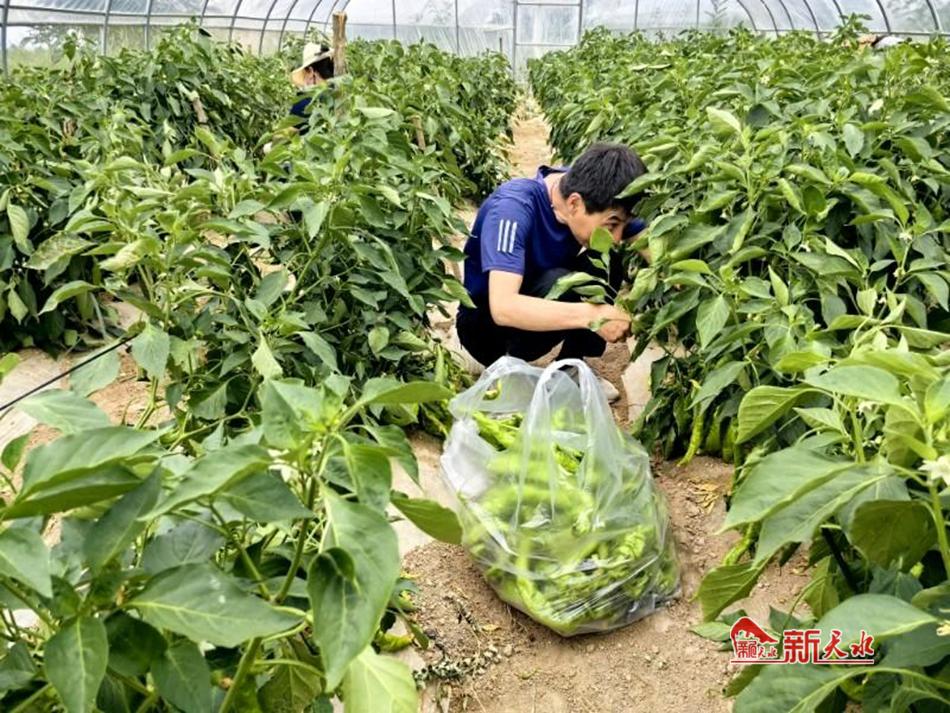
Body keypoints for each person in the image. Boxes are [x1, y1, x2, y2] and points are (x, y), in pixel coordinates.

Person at [456, 142, 648, 402]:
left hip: (538, 306)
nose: (616, 236)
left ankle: (570, 366)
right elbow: (503, 307)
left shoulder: (593, 192)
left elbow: (651, 248)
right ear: (574, 203)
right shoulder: (512, 209)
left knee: (607, 260)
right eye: (612, 225)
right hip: (488, 329)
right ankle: (504, 368)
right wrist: (594, 315)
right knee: (561, 281)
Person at [289, 42, 335, 133]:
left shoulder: (305, 102)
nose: (305, 81)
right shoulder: (342, 93)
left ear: (310, 71)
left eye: (305, 74)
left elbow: (284, 136)